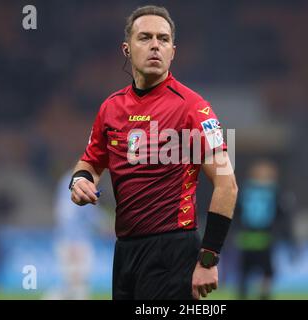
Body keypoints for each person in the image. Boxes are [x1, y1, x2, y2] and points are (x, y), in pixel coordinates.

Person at [69, 5, 238, 300]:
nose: (155, 45)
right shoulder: (111, 108)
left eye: (163, 39)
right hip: (125, 253)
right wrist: (81, 180)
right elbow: (91, 162)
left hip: (173, 252)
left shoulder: (193, 107)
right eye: (145, 37)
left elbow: (227, 184)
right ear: (127, 48)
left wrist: (208, 259)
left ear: (173, 51)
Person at [236, 160, 295, 300]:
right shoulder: (274, 191)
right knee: (267, 273)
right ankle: (264, 296)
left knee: (245, 272)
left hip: (247, 237)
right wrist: (289, 237)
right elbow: (282, 216)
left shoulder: (244, 191)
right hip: (265, 237)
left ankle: (243, 295)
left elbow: (237, 213)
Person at [46, 171, 108, 300]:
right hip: (76, 241)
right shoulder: (82, 183)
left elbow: (64, 212)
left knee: (73, 284)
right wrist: (72, 241)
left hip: (68, 239)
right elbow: (73, 214)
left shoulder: (67, 180)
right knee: (78, 284)